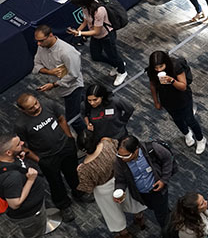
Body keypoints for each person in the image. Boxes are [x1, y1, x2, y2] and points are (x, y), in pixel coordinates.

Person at [15, 93, 92, 222]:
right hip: (47, 158)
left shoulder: (49, 104)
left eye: (36, 103)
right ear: (23, 110)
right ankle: (63, 205)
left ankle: (79, 192)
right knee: (55, 183)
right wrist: (39, 160)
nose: (36, 107)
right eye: (31, 107)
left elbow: (61, 119)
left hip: (65, 148)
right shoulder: (21, 124)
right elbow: (21, 146)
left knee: (73, 172)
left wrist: (69, 138)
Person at [76, 131, 146, 238]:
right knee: (132, 199)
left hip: (103, 190)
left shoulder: (84, 168)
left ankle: (124, 234)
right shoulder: (107, 143)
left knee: (113, 213)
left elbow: (88, 188)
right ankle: (139, 217)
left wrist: (79, 171)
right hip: (120, 177)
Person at [147, 50, 207, 154]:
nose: (158, 70)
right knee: (177, 119)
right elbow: (152, 85)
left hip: (182, 98)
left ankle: (200, 139)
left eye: (161, 66)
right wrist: (156, 101)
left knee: (190, 120)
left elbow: (183, 86)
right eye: (156, 67)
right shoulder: (151, 71)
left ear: (166, 62)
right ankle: (186, 133)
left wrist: (171, 80)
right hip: (167, 99)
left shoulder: (176, 66)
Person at [68, 0, 128, 86]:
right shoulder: (85, 7)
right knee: (96, 56)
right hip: (96, 36)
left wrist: (79, 34)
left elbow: (96, 31)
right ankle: (116, 65)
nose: (78, 6)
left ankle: (122, 71)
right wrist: (78, 30)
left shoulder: (99, 10)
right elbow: (85, 21)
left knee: (113, 55)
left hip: (106, 36)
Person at [33, 24, 85, 132]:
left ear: (50, 35)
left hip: (72, 87)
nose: (38, 44)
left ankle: (86, 136)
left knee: (73, 118)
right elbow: (37, 65)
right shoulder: (41, 47)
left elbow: (73, 75)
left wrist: (53, 85)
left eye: (41, 41)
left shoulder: (67, 52)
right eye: (37, 41)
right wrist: (49, 72)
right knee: (78, 101)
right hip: (59, 86)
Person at [114, 135, 172, 228]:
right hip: (141, 194)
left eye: (126, 155)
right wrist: (119, 190)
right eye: (119, 155)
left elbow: (168, 158)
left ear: (136, 150)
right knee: (155, 208)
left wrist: (163, 180)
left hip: (158, 190)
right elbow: (120, 180)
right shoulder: (119, 162)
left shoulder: (152, 148)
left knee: (162, 216)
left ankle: (168, 231)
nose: (122, 158)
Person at [0, 133, 47, 237]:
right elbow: (14, 204)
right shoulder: (11, 177)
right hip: (29, 215)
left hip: (34, 204)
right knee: (35, 234)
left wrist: (19, 159)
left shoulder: (8, 158)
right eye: (18, 144)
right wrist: (31, 180)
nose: (22, 143)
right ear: (8, 152)